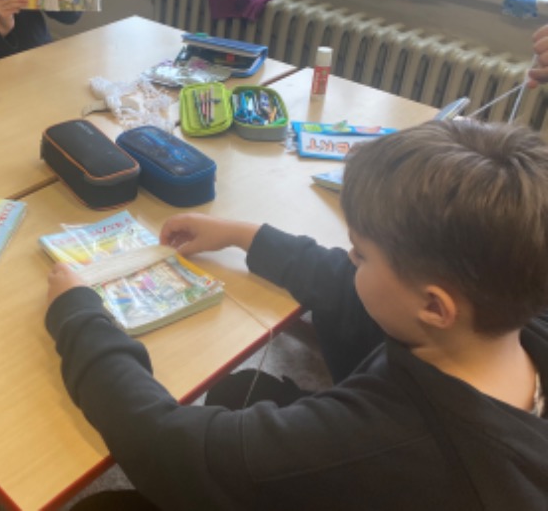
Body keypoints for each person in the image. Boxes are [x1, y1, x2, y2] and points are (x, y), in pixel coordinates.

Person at [45, 119, 548, 510]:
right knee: (240, 392)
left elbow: (164, 444)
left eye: (362, 253)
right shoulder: (505, 317)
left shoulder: (366, 441)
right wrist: (244, 235)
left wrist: (78, 318)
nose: (349, 258)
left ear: (435, 306)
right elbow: (347, 286)